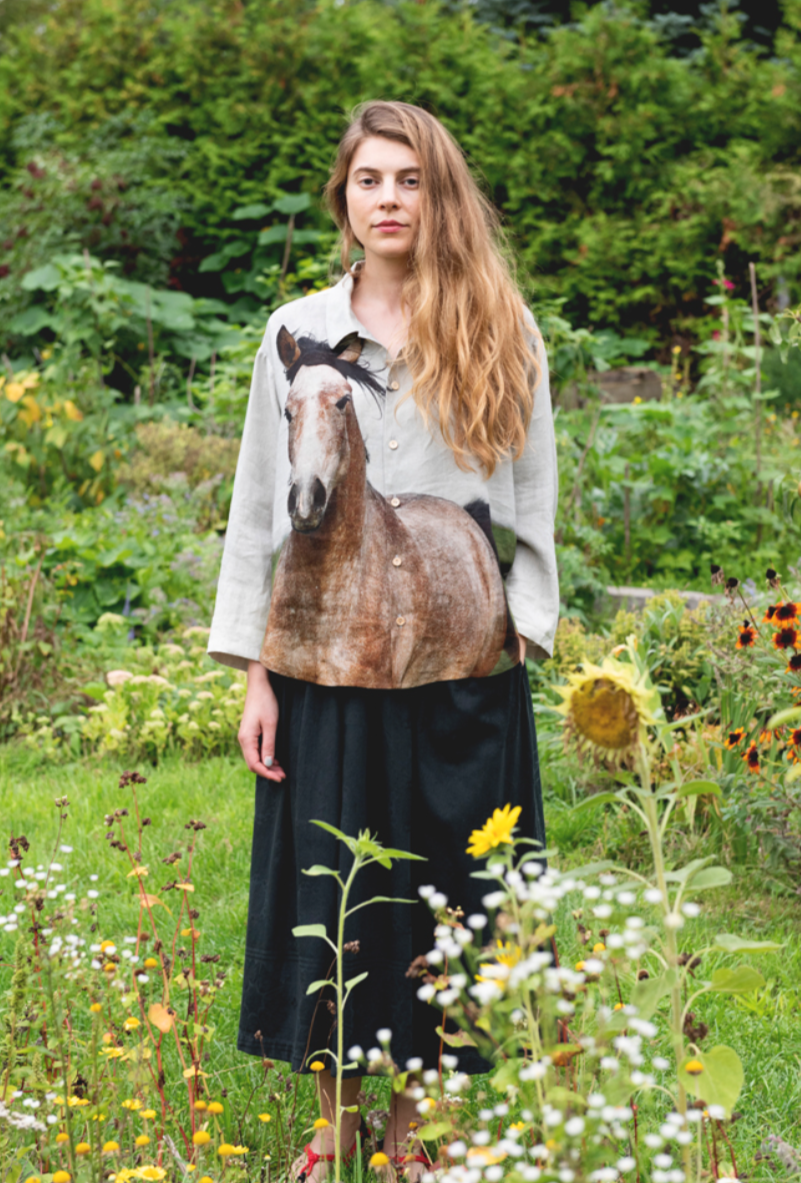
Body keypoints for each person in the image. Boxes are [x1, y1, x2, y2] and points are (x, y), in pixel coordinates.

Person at [207, 100, 559, 1180]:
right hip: (327, 661)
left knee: (443, 890)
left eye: (409, 179)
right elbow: (258, 506)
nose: (390, 199)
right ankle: (337, 1121)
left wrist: (526, 627)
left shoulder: (498, 326)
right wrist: (255, 670)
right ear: (345, 198)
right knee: (333, 889)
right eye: (370, 180)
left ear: (437, 195)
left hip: (460, 662)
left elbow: (534, 488)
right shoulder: (296, 334)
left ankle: (412, 1129)